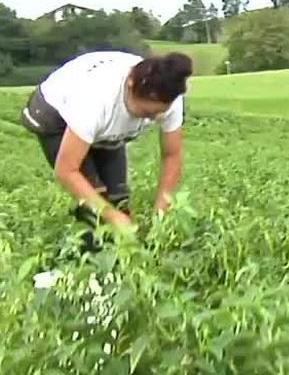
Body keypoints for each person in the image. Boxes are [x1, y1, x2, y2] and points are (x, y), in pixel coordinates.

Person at [19, 50, 193, 248]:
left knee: (119, 201)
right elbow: (67, 170)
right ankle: (85, 265)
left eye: (157, 114)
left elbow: (171, 156)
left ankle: (125, 260)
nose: (152, 119)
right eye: (146, 113)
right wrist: (110, 215)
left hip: (105, 127)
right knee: (96, 206)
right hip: (53, 115)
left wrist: (161, 212)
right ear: (130, 86)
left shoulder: (168, 92)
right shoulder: (96, 99)